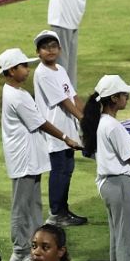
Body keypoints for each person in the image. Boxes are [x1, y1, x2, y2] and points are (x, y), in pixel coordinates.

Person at [0, 47, 81, 261]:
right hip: (23, 158)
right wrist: (65, 137)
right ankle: (19, 250)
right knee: (21, 206)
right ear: (11, 70)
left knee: (34, 205)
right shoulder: (17, 97)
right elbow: (40, 123)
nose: (27, 70)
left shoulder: (16, 92)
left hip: (29, 156)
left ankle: (35, 247)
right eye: (23, 66)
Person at [81, 74, 130, 261]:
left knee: (117, 236)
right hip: (119, 184)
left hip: (109, 184)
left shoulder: (102, 122)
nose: (128, 97)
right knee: (125, 238)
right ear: (114, 98)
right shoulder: (113, 126)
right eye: (124, 94)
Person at [32, 32, 87, 227]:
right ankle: (56, 213)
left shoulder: (60, 70)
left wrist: (86, 117)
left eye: (54, 46)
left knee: (67, 169)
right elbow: (63, 101)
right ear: (38, 52)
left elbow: (73, 96)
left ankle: (63, 210)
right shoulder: (42, 73)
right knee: (59, 170)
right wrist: (82, 118)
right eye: (45, 47)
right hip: (55, 130)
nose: (50, 50)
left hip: (67, 127)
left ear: (60, 49)